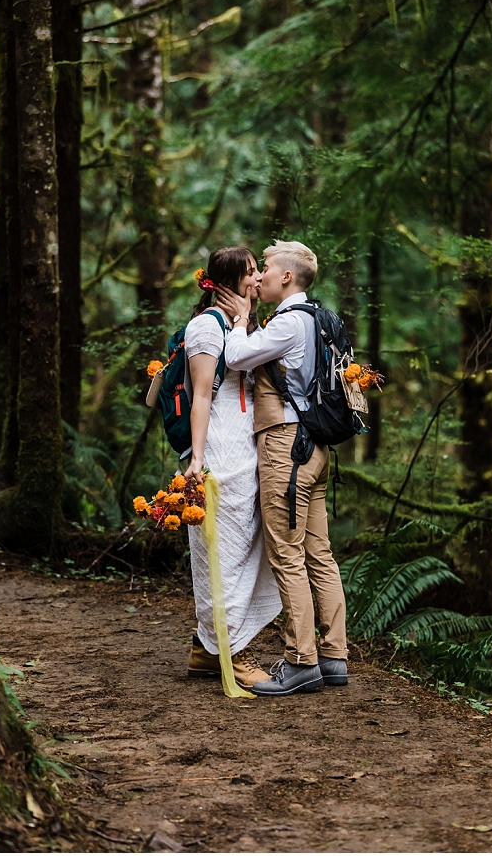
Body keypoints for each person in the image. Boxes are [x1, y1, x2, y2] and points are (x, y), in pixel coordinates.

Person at [216, 240, 349, 696]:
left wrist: (237, 321)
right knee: (320, 554)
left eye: (267, 269)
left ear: (287, 277)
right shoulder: (320, 319)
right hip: (316, 450)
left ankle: (300, 661)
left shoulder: (290, 323)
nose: (260, 277)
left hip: (284, 447)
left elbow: (235, 358)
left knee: (286, 554)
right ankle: (333, 656)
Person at [178, 248, 280, 689]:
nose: (258, 279)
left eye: (259, 271)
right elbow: (201, 395)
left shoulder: (244, 326)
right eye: (251, 272)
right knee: (221, 556)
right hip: (218, 451)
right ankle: (235, 653)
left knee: (245, 550)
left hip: (247, 451)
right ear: (226, 283)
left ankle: (206, 649)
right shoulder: (205, 327)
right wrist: (197, 459)